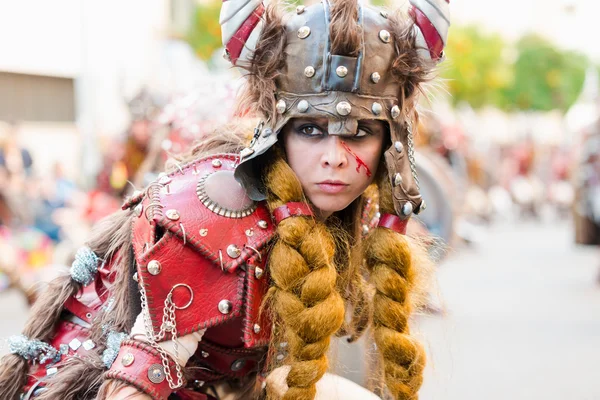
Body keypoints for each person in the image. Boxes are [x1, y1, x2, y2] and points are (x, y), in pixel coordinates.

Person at [0, 0, 450, 399]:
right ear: (277, 133)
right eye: (310, 129)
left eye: (360, 132)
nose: (335, 158)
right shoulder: (216, 212)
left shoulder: (353, 211)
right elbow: (131, 386)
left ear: (390, 142)